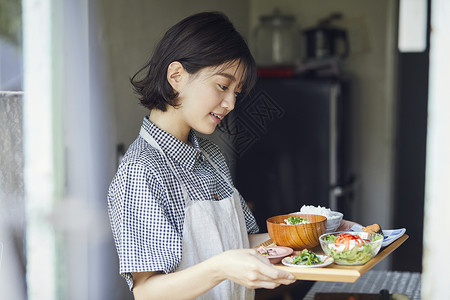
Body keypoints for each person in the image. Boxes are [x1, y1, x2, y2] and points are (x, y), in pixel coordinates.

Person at [107, 11, 356, 299]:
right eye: (223, 86)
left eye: (236, 92)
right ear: (176, 76)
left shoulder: (211, 156)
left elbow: (244, 241)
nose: (230, 103)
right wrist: (221, 268)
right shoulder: (141, 170)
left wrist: (318, 232)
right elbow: (147, 291)